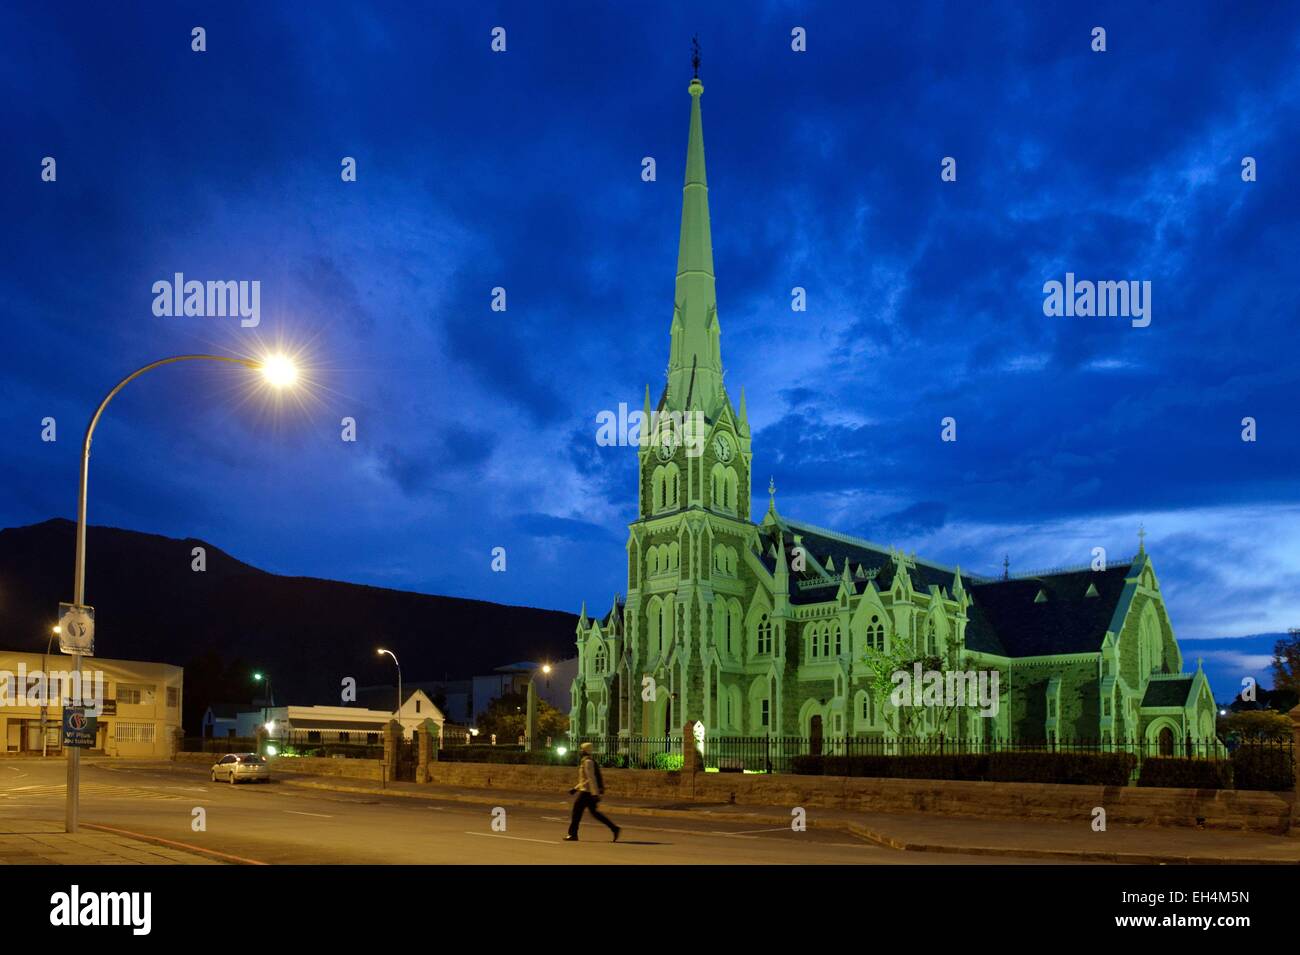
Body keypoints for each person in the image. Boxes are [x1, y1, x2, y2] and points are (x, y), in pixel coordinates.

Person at [565, 742, 620, 842]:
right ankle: (614, 828)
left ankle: (573, 834)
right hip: (587, 791)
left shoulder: (588, 762)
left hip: (587, 793)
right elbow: (585, 780)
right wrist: (575, 788)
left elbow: (591, 778)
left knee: (576, 812)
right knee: (594, 813)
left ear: (585, 751)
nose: (580, 751)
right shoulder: (587, 761)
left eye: (581, 749)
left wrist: (595, 794)